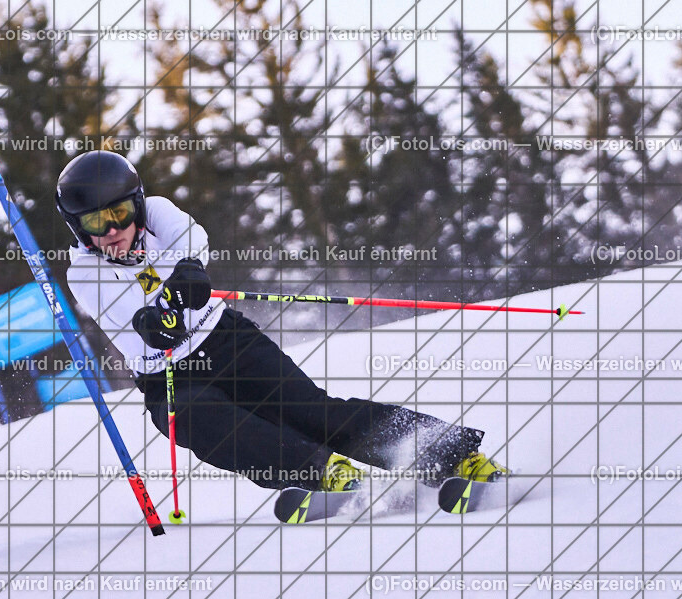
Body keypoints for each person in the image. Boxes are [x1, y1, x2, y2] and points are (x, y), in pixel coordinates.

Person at [57, 150, 506, 494]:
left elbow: (193, 239)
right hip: (170, 377)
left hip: (227, 341)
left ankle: (448, 453)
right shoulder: (84, 272)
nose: (112, 229)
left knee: (309, 411)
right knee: (195, 418)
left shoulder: (156, 210)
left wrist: (188, 271)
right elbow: (138, 320)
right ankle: (320, 471)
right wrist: (162, 317)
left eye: (119, 213)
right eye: (96, 222)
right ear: (80, 229)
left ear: (135, 205)